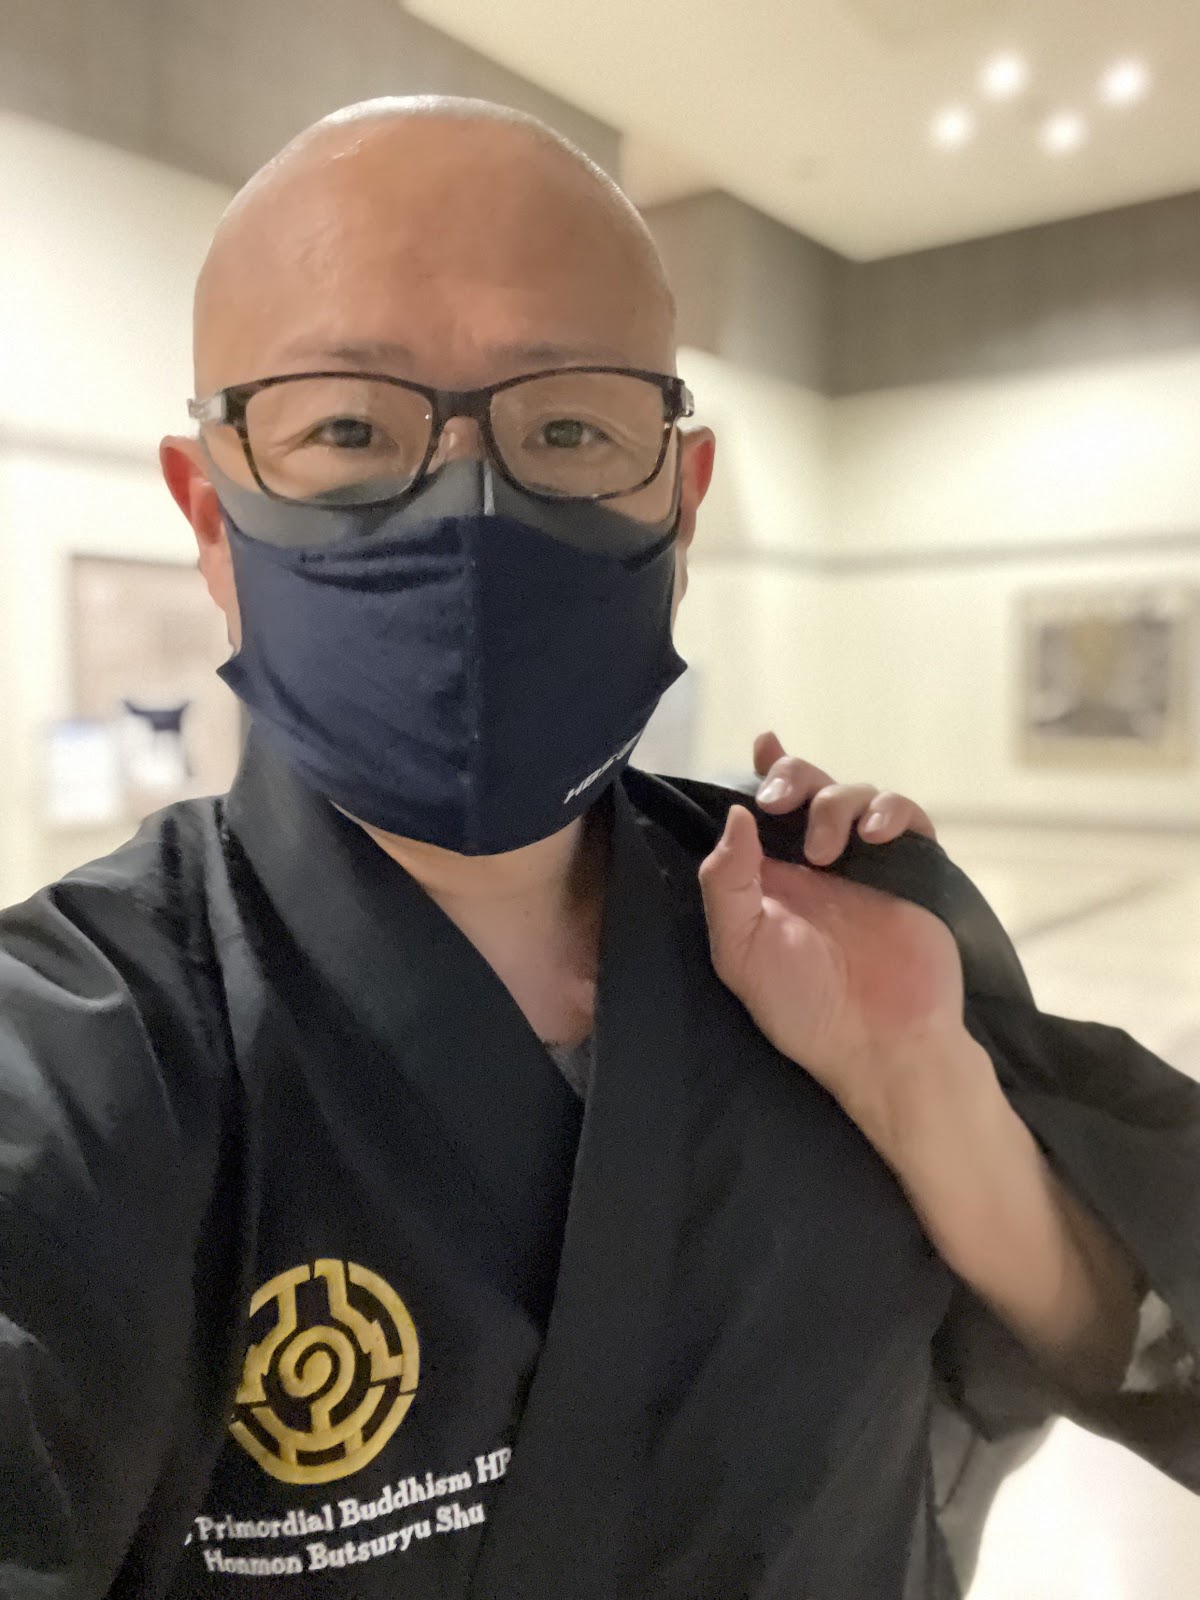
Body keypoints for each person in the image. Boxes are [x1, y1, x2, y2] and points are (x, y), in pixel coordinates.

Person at [1, 97, 1196, 1600]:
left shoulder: (858, 924)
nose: (468, 501)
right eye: (347, 428)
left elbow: (1139, 1348)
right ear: (213, 516)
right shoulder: (87, 1047)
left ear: (681, 502)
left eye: (568, 427)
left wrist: (926, 1093)